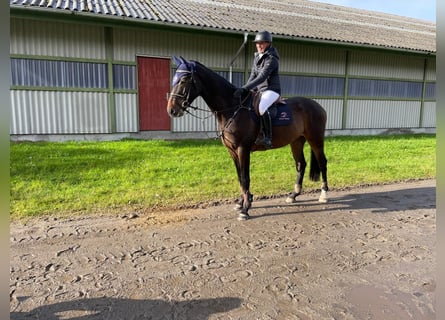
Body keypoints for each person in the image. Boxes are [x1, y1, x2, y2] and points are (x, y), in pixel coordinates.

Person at [233, 30, 281, 149]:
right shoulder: (257, 57)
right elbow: (253, 76)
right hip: (260, 90)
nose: (259, 45)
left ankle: (268, 138)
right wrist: (245, 90)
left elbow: (262, 77)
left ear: (268, 43)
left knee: (261, 107)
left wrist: (244, 88)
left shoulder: (272, 58)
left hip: (271, 90)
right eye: (257, 43)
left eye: (262, 43)